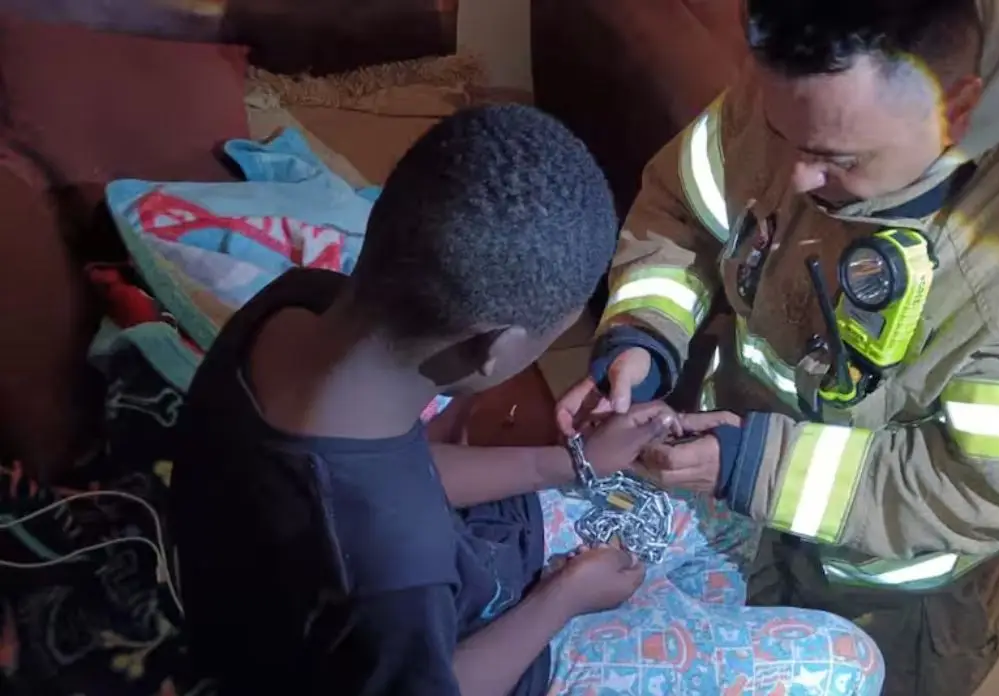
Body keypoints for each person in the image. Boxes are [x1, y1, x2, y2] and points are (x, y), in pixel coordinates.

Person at [556, 1, 999, 694]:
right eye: (780, 132)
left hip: (886, 604)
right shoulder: (807, 77)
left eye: (835, 158)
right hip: (735, 526)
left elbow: (984, 490)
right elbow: (680, 208)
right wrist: (643, 335)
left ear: (956, 110)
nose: (792, 177)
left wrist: (754, 464)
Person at [169, 104, 884, 695]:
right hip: (482, 654)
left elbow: (400, 470)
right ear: (493, 349)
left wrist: (569, 463)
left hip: (457, 567)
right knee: (846, 662)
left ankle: (664, 626)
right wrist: (561, 600)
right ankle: (645, 631)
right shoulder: (386, 570)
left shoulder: (298, 308)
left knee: (713, 511)